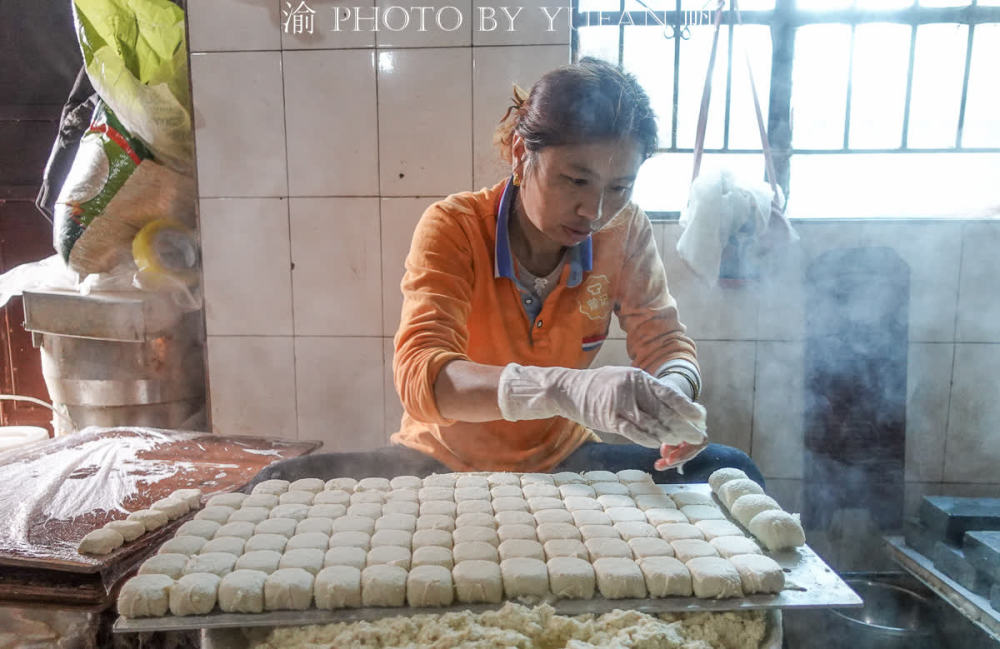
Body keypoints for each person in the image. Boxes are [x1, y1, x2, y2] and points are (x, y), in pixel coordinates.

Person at [384, 57, 763, 485]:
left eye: (619, 187)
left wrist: (670, 396)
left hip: (560, 459)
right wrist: (564, 389)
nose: (595, 211)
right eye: (575, 181)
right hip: (443, 459)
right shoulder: (456, 227)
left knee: (730, 470)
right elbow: (422, 377)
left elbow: (664, 342)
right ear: (522, 154)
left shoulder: (624, 230)